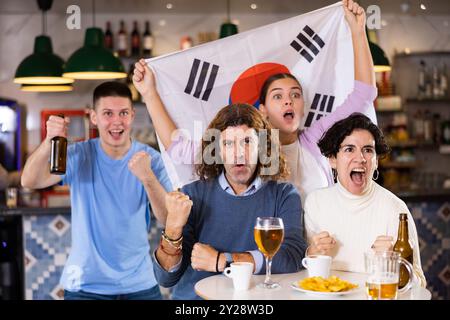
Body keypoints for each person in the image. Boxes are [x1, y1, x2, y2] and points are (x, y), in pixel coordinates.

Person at [132, 0, 377, 204]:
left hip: (320, 255)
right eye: (277, 96)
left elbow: (363, 95)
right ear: (263, 110)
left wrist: (357, 32)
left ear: (304, 105)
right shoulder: (245, 148)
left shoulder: (318, 138)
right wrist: (150, 94)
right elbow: (180, 149)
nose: (288, 101)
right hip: (268, 255)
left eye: (295, 94)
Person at [21, 82, 172, 300]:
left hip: (140, 284)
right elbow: (29, 180)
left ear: (132, 115)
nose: (117, 121)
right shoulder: (78, 155)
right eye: (108, 113)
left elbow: (168, 219)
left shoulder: (151, 159)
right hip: (85, 286)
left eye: (123, 113)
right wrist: (49, 141)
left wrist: (148, 178)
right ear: (94, 117)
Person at [152, 103, 307, 300]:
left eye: (247, 142)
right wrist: (173, 227)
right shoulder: (192, 194)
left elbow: (293, 256)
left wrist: (221, 261)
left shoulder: (284, 195)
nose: (238, 153)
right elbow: (165, 278)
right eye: (228, 144)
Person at [304, 113, 426, 287]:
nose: (360, 158)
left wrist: (395, 264)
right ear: (332, 159)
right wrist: (311, 253)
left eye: (368, 150)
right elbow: (304, 274)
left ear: (376, 161)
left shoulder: (396, 209)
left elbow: (420, 284)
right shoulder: (315, 202)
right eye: (349, 149)